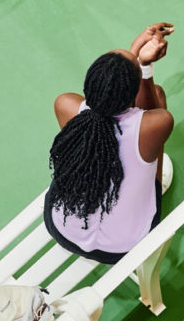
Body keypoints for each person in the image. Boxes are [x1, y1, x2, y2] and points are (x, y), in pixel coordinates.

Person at [44, 23, 175, 264]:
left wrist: (133, 54)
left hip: (62, 230)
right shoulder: (157, 124)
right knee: (158, 99)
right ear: (131, 93)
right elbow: (151, 114)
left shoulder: (65, 104)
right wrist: (143, 66)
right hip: (124, 247)